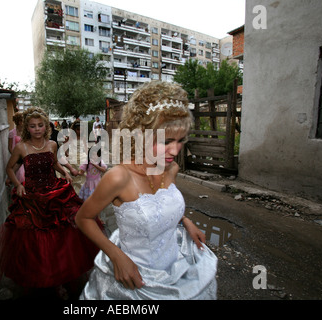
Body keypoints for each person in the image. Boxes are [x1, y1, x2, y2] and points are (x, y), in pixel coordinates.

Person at [75, 81, 218, 300]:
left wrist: (185, 220)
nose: (175, 150)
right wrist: (116, 256)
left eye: (180, 140)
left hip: (177, 267)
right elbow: (83, 218)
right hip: (138, 279)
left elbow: (163, 205)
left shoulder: (171, 168)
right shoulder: (119, 177)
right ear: (141, 134)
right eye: (167, 141)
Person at [0, 107, 101, 299]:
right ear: (27, 128)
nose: (37, 129)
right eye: (32, 126)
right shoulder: (21, 147)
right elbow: (9, 169)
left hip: (54, 194)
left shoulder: (52, 145)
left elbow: (54, 163)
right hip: (32, 198)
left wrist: (64, 172)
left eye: (40, 125)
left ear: (46, 126)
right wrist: (18, 184)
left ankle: (59, 276)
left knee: (61, 237)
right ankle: (41, 277)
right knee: (34, 241)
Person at [8, 112, 25, 183]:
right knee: (19, 174)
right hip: (17, 158)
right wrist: (15, 156)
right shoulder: (12, 133)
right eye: (23, 120)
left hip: (25, 156)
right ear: (19, 122)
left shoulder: (26, 132)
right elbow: (9, 147)